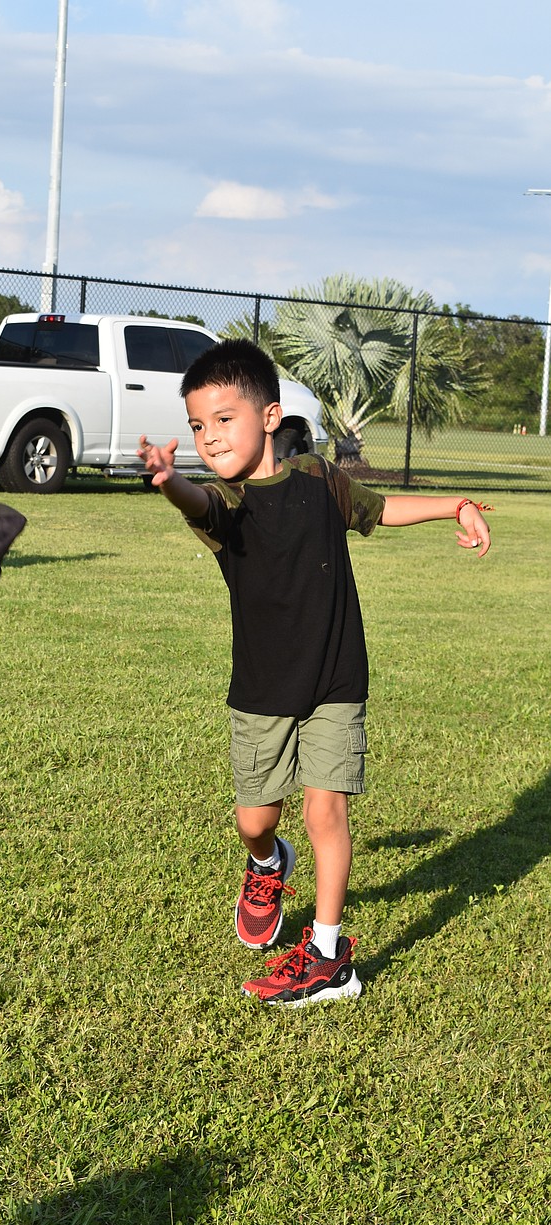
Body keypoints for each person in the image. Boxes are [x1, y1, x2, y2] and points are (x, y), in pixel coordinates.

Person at [138, 338, 491, 1007]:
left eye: (223, 419)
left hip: (335, 679)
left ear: (269, 416)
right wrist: (169, 482)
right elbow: (196, 503)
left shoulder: (320, 478)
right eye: (196, 427)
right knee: (254, 819)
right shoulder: (225, 505)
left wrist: (458, 504)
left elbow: (380, 509)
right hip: (263, 692)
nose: (209, 437)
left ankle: (329, 957)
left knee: (325, 808)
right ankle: (268, 863)